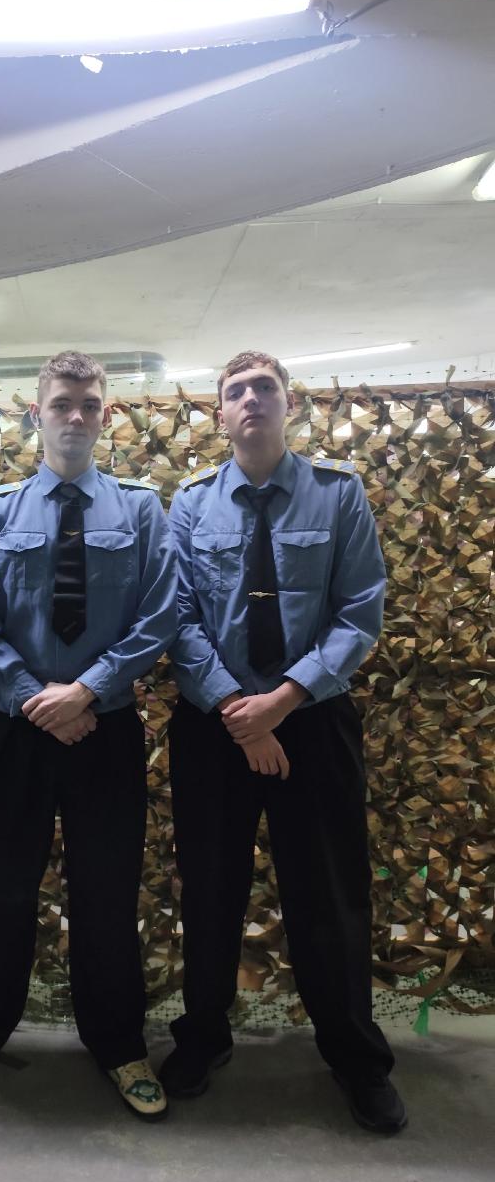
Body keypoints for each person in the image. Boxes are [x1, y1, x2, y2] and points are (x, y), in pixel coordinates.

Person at [0, 350, 178, 1121]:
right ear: (36, 414)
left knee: (107, 893)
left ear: (105, 415)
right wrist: (38, 699)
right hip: (20, 730)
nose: (75, 416)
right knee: (1, 890)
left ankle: (120, 1044)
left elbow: (160, 613)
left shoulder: (139, 510)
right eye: (61, 403)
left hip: (105, 728)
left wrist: (87, 691)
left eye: (88, 404)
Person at [162, 350, 406, 1134]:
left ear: (288, 405)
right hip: (216, 723)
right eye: (236, 391)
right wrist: (240, 709)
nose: (252, 400)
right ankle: (203, 1037)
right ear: (220, 414)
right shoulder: (192, 504)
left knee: (329, 894)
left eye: (265, 388)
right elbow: (177, 617)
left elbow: (359, 610)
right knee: (210, 889)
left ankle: (357, 1060)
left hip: (313, 717)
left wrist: (283, 700)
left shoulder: (338, 495)